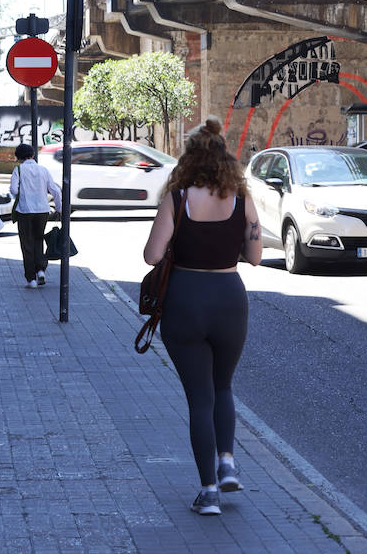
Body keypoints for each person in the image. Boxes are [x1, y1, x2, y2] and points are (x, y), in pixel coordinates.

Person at [143, 118, 262, 517]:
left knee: (199, 399)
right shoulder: (243, 198)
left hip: (186, 299)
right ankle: (227, 461)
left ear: (190, 158)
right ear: (225, 157)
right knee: (223, 387)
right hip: (230, 298)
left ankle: (208, 490)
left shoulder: (178, 198)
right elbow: (256, 256)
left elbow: (152, 256)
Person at [9, 143, 62, 288]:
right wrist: (59, 208)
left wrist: (23, 191)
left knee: (27, 244)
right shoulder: (43, 170)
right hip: (42, 211)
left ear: (18, 157)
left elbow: (13, 190)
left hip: (25, 211)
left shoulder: (18, 170)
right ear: (33, 155)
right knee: (39, 240)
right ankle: (41, 270)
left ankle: (31, 279)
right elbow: (56, 191)